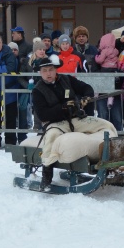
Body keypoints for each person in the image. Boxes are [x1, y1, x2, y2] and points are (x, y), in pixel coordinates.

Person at [31, 55, 96, 190]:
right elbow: (43, 114)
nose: (48, 73)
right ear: (40, 73)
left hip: (76, 119)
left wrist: (86, 97)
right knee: (51, 137)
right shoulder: (37, 90)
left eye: (51, 69)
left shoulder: (67, 79)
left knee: (102, 124)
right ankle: (47, 171)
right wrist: (63, 108)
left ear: (56, 70)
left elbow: (87, 88)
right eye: (45, 71)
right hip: (55, 123)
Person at [94, 33, 123, 130]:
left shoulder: (103, 52)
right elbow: (119, 63)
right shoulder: (116, 51)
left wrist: (97, 57)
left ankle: (96, 93)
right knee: (104, 116)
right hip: (113, 74)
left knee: (114, 117)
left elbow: (99, 61)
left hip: (105, 73)